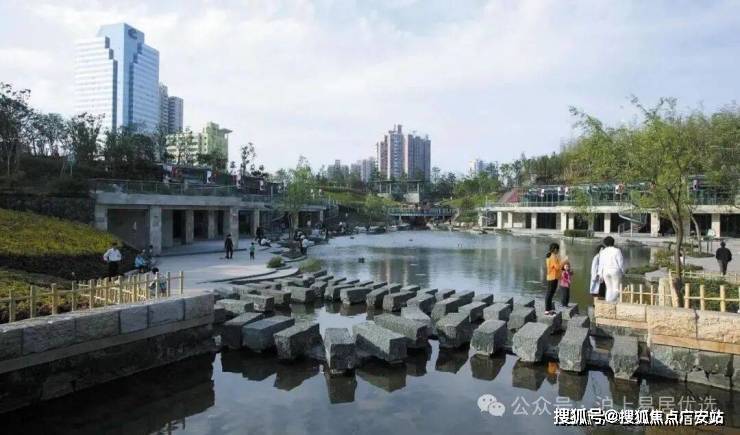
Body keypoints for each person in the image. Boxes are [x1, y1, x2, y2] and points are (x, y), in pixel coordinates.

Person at [598, 236, 624, 303]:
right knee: (616, 288)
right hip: (615, 271)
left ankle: (608, 302)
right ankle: (611, 301)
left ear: (605, 243)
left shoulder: (603, 252)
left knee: (609, 288)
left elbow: (601, 263)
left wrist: (600, 274)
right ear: (613, 242)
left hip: (605, 271)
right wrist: (622, 271)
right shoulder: (617, 251)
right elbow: (621, 262)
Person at [544, 243, 561, 315]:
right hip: (553, 277)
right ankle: (547, 310)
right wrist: (562, 262)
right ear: (555, 249)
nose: (558, 251)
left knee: (550, 294)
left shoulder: (550, 255)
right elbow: (557, 267)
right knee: (549, 294)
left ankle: (549, 309)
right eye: (558, 249)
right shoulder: (553, 256)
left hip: (552, 277)